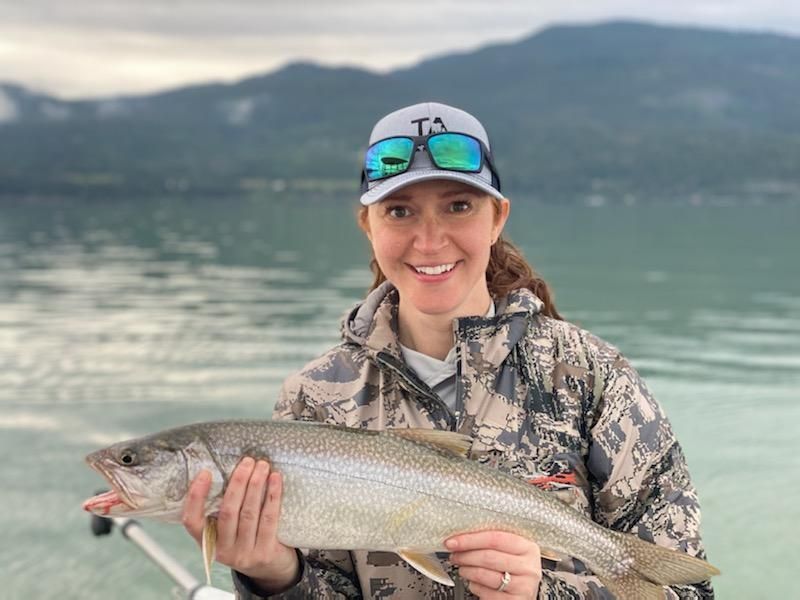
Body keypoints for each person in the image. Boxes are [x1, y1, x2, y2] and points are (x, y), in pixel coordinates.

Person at [182, 102, 714, 599]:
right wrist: (275, 575)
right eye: (400, 212)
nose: (430, 240)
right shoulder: (314, 396)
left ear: (497, 217)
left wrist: (543, 592)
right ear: (368, 225)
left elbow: (687, 591)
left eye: (458, 206)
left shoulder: (589, 377)